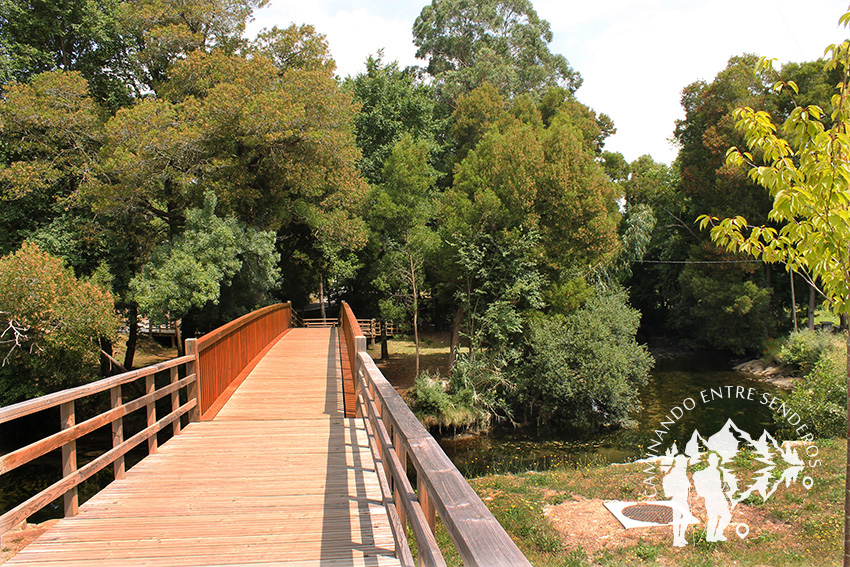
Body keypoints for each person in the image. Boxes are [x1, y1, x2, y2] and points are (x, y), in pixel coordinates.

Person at [693, 452, 732, 541]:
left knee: (724, 516)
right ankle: (712, 536)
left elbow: (718, 488)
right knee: (714, 518)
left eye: (716, 460)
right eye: (713, 460)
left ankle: (716, 534)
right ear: (710, 461)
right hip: (711, 498)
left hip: (718, 497)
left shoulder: (717, 472)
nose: (715, 462)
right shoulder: (707, 472)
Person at [662, 453, 691, 547]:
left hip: (683, 499)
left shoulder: (683, 473)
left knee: (685, 518)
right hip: (677, 499)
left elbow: (686, 484)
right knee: (677, 519)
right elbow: (671, 483)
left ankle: (681, 537)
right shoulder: (674, 473)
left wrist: (688, 485)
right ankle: (676, 539)